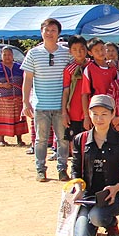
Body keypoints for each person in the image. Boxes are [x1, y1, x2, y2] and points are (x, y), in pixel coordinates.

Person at [71, 94, 119, 236]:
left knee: (97, 216)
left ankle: (110, 223)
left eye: (104, 114)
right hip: (88, 197)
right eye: (95, 114)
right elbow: (75, 168)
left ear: (113, 114)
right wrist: (78, 188)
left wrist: (117, 187)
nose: (99, 118)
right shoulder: (81, 139)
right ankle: (91, 224)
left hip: (113, 196)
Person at [22, 18, 72, 182]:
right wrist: (25, 102)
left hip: (61, 106)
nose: (50, 33)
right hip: (40, 105)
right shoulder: (33, 53)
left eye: (53, 30)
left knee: (63, 140)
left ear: (58, 33)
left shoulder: (66, 53)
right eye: (47, 30)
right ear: (41, 32)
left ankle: (62, 169)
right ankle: (40, 169)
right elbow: (28, 79)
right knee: (41, 140)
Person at [0, 46, 27, 146]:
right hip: (3, 99)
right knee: (2, 118)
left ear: (13, 55)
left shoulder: (19, 67)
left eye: (9, 54)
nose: (7, 57)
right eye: (4, 54)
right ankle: (1, 140)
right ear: (1, 55)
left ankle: (19, 139)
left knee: (18, 117)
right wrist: (2, 85)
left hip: (18, 97)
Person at [81, 38, 119, 130]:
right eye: (96, 50)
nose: (100, 52)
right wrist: (86, 117)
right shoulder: (89, 69)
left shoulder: (113, 68)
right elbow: (85, 94)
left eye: (102, 49)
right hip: (96, 108)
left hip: (111, 109)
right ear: (90, 53)